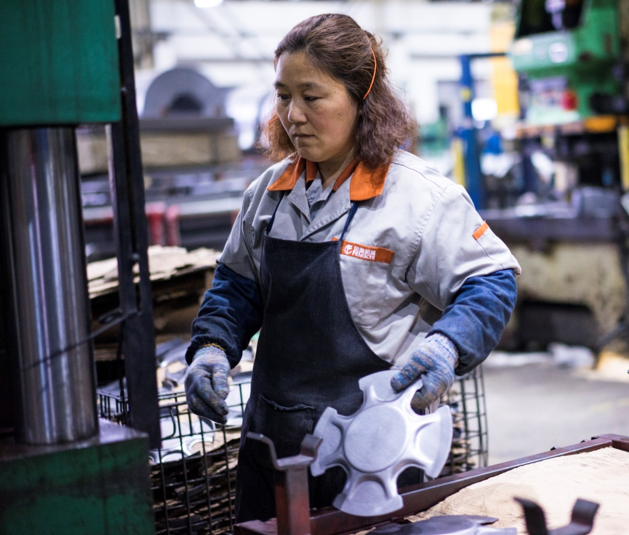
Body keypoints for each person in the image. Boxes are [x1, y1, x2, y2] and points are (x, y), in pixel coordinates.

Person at [185, 13, 521, 523]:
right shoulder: (268, 196)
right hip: (272, 449)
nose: (293, 115)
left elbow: (491, 282)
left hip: (373, 458)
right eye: (283, 96)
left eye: (312, 97)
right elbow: (237, 287)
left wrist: (447, 344)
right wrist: (212, 346)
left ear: (363, 99)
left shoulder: (418, 198)